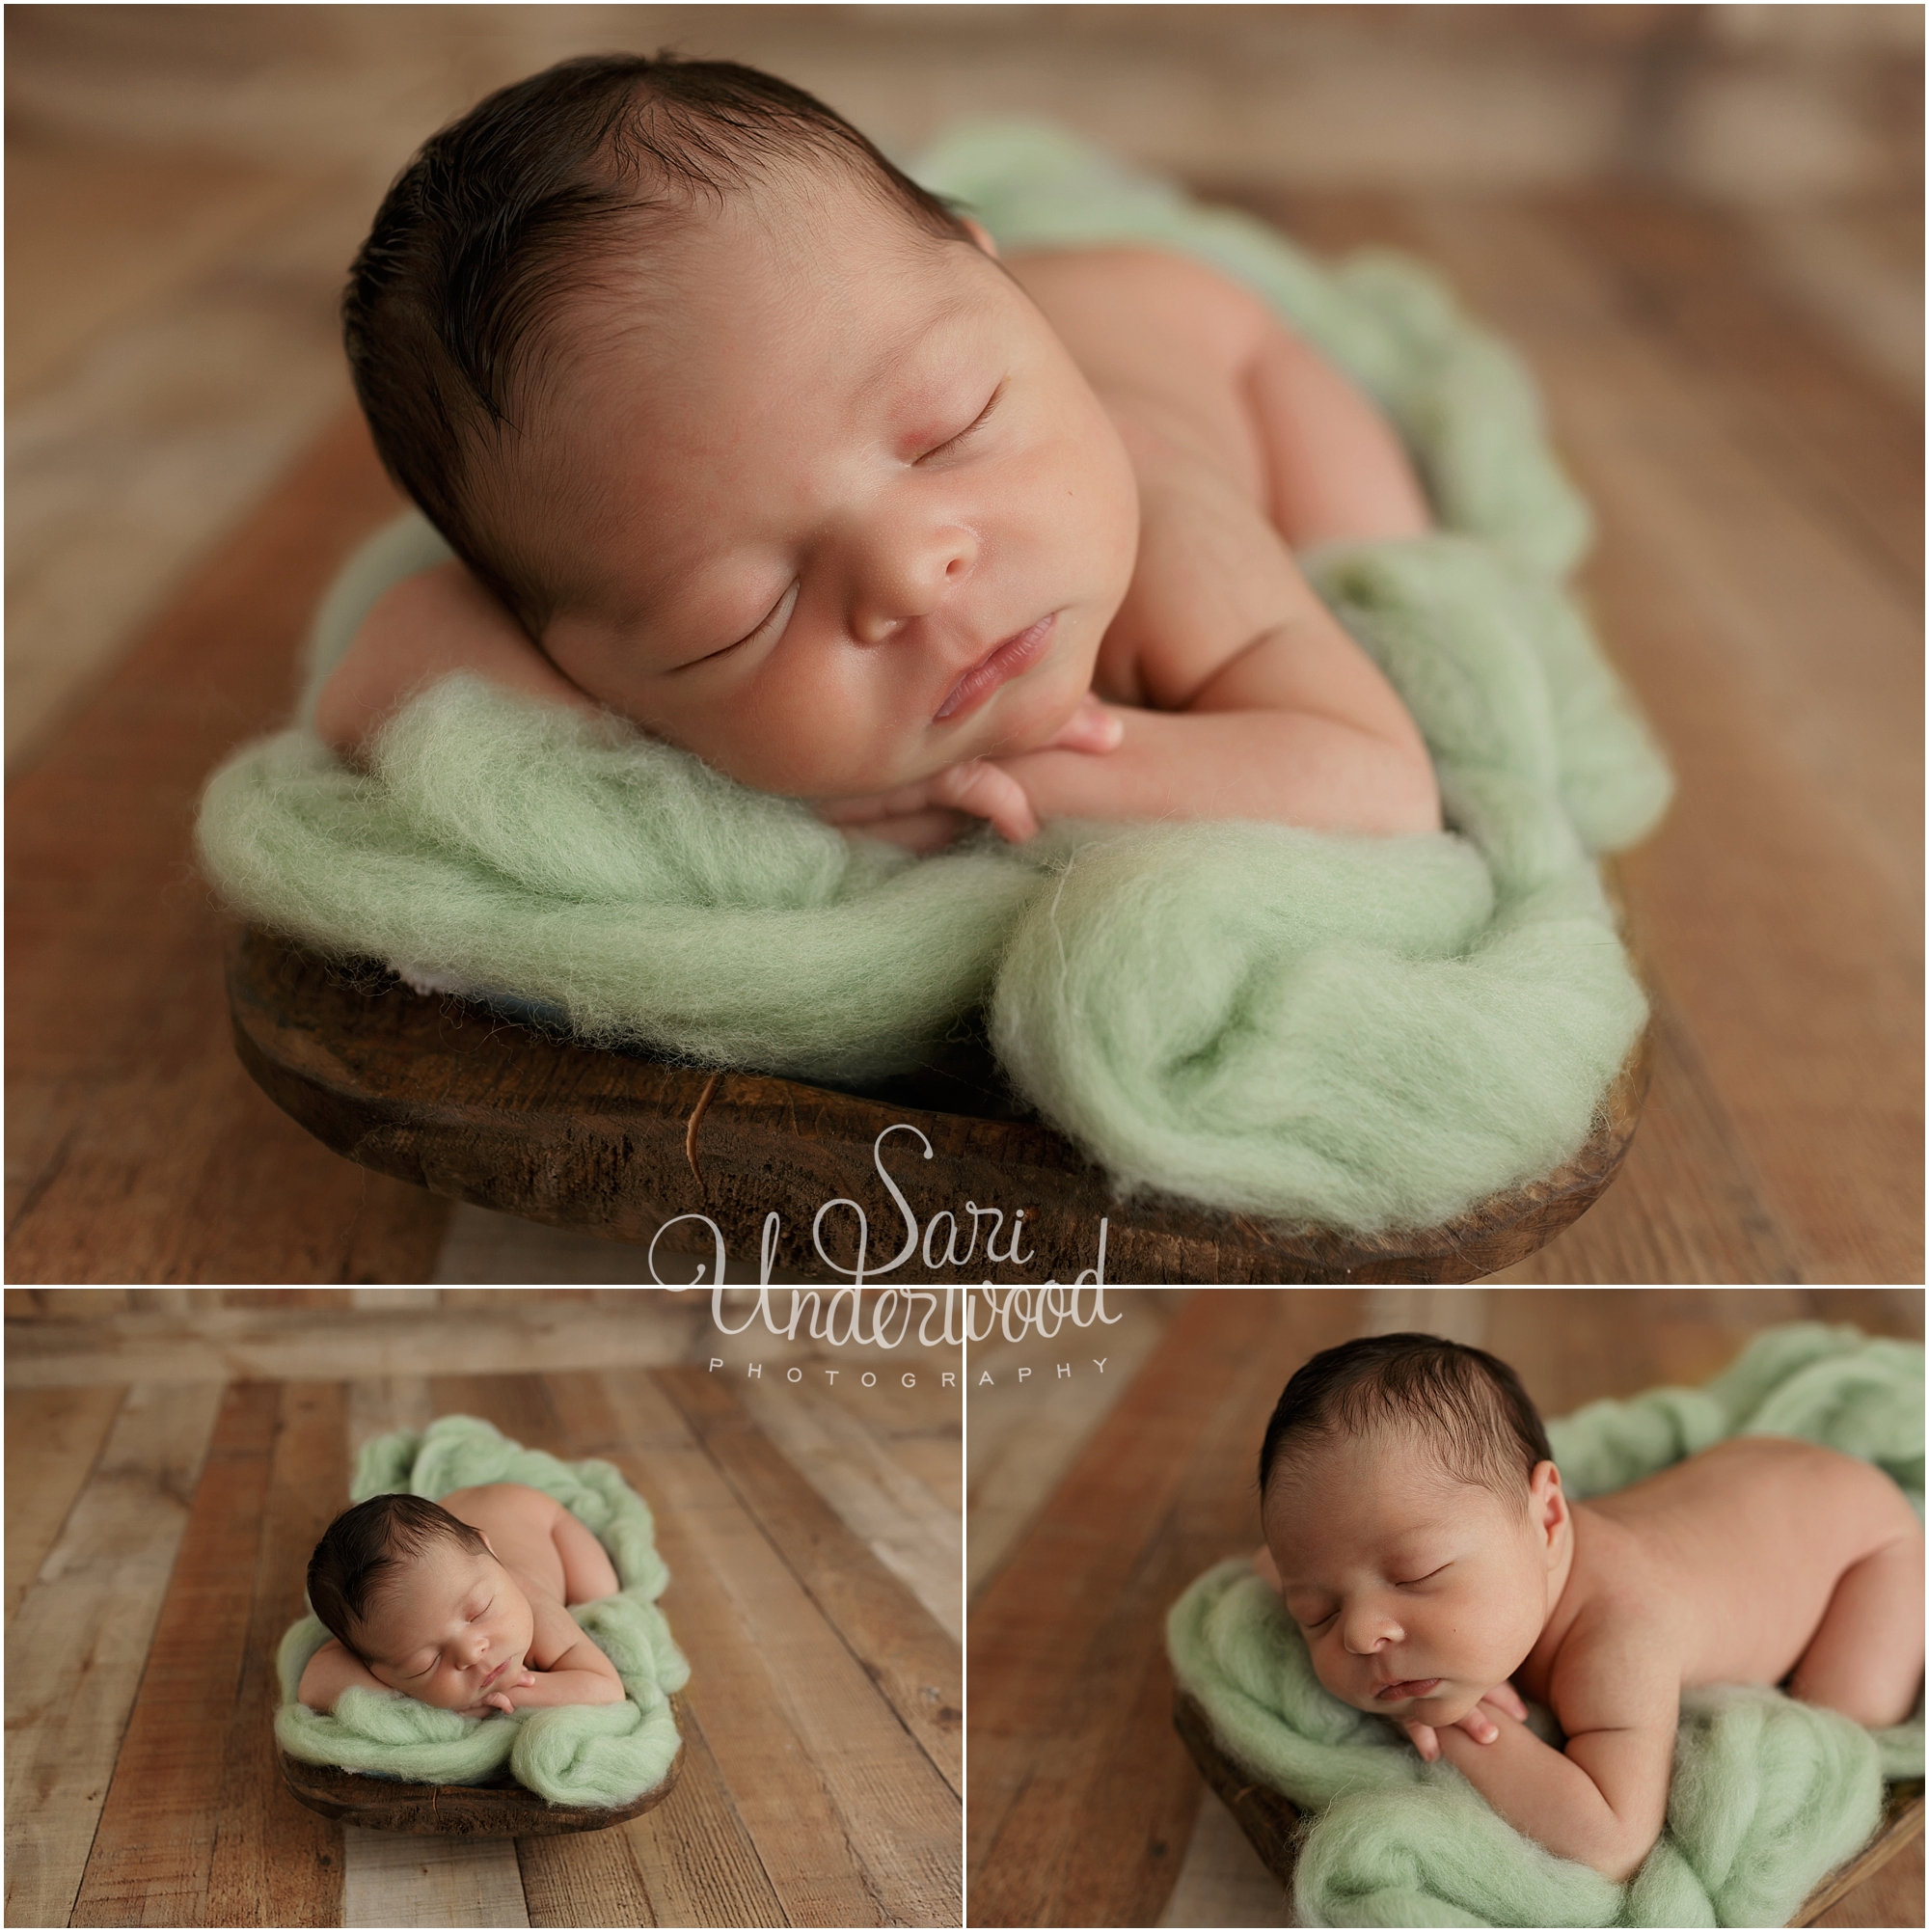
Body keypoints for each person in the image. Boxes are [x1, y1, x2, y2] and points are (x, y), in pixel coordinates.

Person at [315, 52, 1442, 853]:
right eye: (742, 615)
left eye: (951, 429)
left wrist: (1002, 788)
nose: (913, 570)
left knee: (1389, 563)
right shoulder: (601, 587)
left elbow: (1379, 785)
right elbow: (376, 680)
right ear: (577, 658)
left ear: (994, 284)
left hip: (1217, 342)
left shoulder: (1163, 522)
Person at [1254, 1333, 1925, 1882]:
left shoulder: (1616, 1639)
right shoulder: (1439, 1572)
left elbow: (1613, 1838)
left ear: (1548, 1516)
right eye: (1318, 1612)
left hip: (1868, 1549)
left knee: (1844, 1726)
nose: (1363, 1634)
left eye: (1417, 1573)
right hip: (1755, 1484)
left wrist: (1467, 1728)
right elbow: (1274, 1563)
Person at [298, 1485, 626, 1716]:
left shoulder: (531, 1604)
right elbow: (314, 1685)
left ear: (490, 1551)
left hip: (534, 1512)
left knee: (599, 1591)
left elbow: (606, 1689)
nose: (471, 1652)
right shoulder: (386, 1628)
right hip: (454, 1524)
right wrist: (422, 1699)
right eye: (426, 1663)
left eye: (479, 1613)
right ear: (378, 1670)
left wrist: (510, 1695)